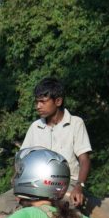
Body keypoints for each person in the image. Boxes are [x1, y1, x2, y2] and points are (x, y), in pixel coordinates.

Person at [21, 77, 92, 208]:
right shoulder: (35, 127)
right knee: (2, 203)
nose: (38, 106)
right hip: (36, 183)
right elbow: (23, 158)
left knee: (67, 211)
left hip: (65, 184)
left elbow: (84, 160)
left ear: (58, 101)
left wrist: (79, 186)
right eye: (37, 102)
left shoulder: (76, 123)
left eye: (43, 102)